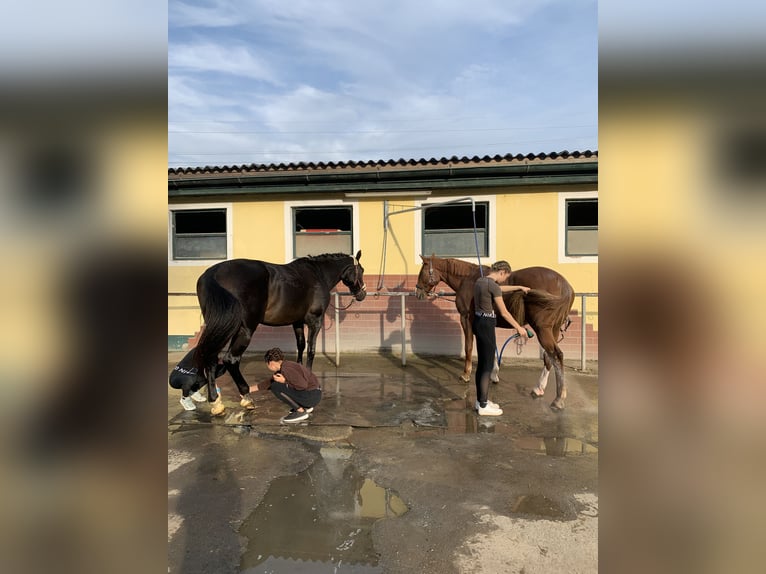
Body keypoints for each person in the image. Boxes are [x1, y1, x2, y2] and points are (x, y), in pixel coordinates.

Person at [473, 260, 530, 416]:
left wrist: (518, 287)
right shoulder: (492, 285)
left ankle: (480, 400)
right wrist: (519, 327)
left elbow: (499, 289)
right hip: (486, 324)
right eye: (506, 277)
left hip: (478, 322)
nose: (505, 280)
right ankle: (483, 406)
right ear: (502, 272)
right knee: (487, 366)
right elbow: (504, 313)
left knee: (482, 364)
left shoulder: (481, 281)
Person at [251, 347, 322, 424]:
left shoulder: (286, 369)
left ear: (271, 363)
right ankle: (305, 407)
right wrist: (249, 389)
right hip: (313, 394)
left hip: (311, 396)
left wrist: (284, 381)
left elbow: (302, 385)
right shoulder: (285, 365)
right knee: (275, 384)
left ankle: (300, 411)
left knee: (276, 387)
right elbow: (268, 383)